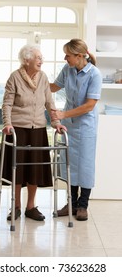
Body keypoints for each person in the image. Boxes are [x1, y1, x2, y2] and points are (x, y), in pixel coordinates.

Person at [0, 44, 66, 221]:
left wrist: (56, 122)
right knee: (17, 170)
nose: (41, 60)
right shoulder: (15, 77)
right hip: (18, 128)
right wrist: (7, 123)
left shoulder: (43, 77)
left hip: (38, 129)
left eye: (41, 57)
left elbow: (50, 103)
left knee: (34, 169)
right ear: (26, 60)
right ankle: (16, 206)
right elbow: (7, 104)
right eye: (38, 57)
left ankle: (31, 207)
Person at [50, 38, 102, 221]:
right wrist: (35, 82)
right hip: (69, 127)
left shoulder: (94, 74)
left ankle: (83, 206)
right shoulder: (68, 70)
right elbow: (54, 87)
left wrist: (63, 114)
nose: (65, 58)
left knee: (85, 165)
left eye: (68, 55)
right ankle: (71, 204)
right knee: (69, 164)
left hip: (86, 126)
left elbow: (89, 105)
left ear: (80, 56)